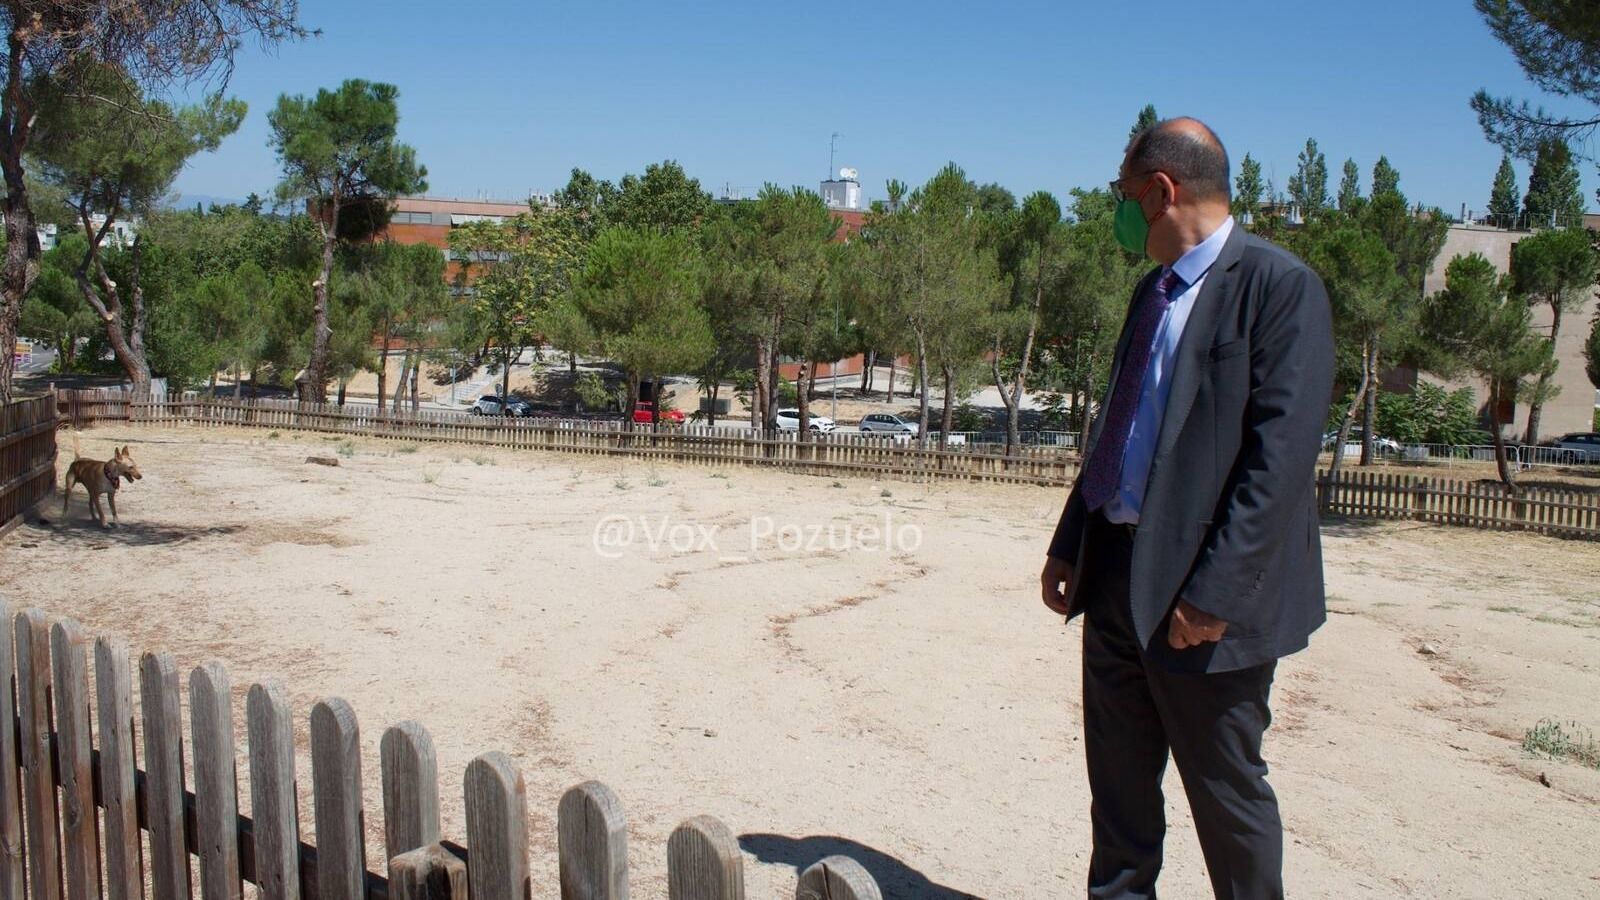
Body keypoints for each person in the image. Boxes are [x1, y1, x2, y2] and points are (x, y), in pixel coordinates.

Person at [1040, 117, 1335, 899]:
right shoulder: (1153, 292)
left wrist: (1215, 594)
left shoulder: (1279, 286)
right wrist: (1072, 540)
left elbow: (1279, 462)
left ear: (1163, 192)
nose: (1121, 216)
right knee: (1121, 799)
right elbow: (1121, 423)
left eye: (1126, 198)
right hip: (1114, 577)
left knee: (1227, 800)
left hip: (1204, 601)